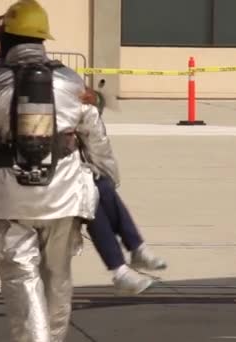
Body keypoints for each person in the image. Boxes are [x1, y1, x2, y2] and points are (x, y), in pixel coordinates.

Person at [0, 1, 118, 340]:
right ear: (42, 40)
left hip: (12, 201)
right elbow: (96, 137)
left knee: (22, 281)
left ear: (7, 38)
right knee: (57, 279)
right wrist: (109, 182)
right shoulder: (71, 81)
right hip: (65, 197)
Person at [79, 89, 168, 295]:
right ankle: (123, 265)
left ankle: (133, 252)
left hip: (69, 171)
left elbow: (96, 147)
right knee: (92, 197)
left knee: (102, 188)